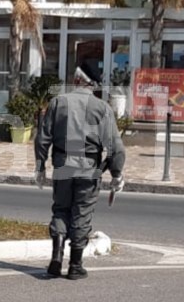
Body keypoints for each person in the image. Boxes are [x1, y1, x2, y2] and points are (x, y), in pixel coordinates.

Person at [34, 77, 126, 279]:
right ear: (93, 85)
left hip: (62, 164)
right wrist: (117, 174)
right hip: (89, 167)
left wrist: (40, 166)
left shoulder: (58, 102)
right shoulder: (102, 107)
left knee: (61, 209)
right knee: (81, 213)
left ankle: (56, 257)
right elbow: (115, 147)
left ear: (75, 82)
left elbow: (42, 137)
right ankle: (75, 265)